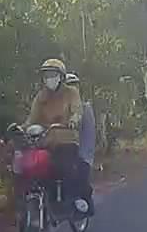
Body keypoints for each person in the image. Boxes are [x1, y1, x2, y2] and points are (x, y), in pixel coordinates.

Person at [26, 58, 93, 217]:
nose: (49, 78)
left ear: (61, 76)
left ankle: (71, 202)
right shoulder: (41, 97)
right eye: (46, 75)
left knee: (66, 168)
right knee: (36, 168)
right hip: (46, 142)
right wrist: (21, 128)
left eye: (53, 74)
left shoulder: (71, 93)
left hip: (67, 140)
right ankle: (42, 202)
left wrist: (73, 120)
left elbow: (77, 111)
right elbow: (32, 119)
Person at [66, 72, 98, 172]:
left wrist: (85, 161)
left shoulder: (85, 108)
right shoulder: (57, 109)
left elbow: (89, 136)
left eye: (75, 86)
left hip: (81, 159)